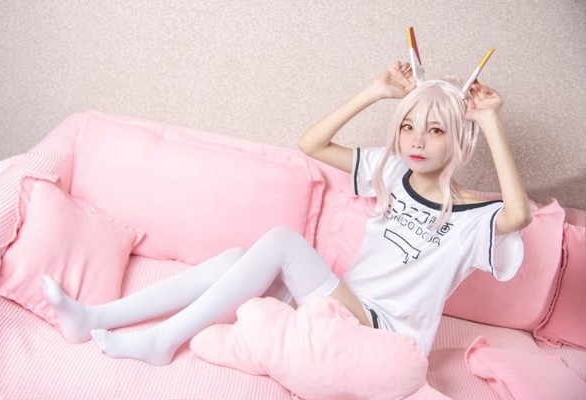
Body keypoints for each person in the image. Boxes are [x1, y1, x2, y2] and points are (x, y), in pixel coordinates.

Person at [42, 61, 532, 366]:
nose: (417, 141)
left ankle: (163, 341)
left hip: (383, 334)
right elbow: (311, 143)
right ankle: (94, 317)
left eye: (435, 131)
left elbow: (519, 215)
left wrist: (489, 121)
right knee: (234, 260)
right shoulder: (391, 170)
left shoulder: (474, 216)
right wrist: (376, 91)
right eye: (408, 127)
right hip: (338, 307)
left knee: (281, 242)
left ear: (458, 138)